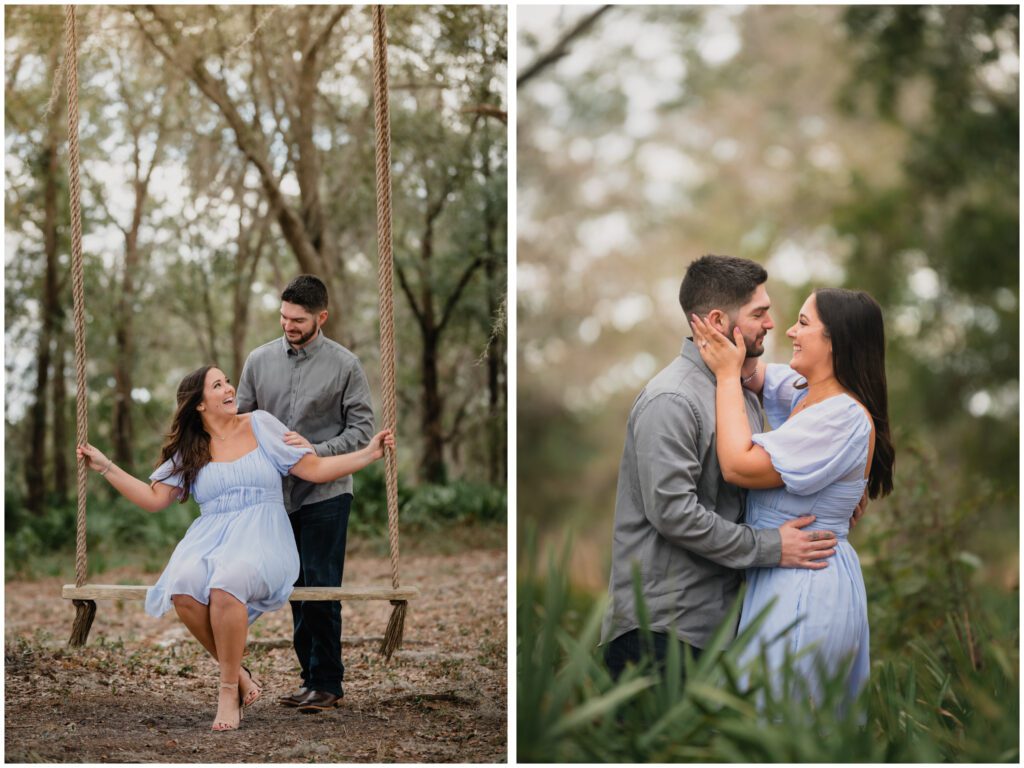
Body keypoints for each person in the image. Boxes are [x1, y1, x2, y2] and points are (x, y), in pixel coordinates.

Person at [76, 365, 394, 731]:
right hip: (210, 536)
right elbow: (153, 499)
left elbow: (315, 469)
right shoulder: (190, 448)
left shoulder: (260, 424)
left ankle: (228, 691)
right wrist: (105, 467)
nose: (229, 388)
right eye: (217, 385)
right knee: (183, 585)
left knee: (226, 584)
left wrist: (369, 454)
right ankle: (239, 673)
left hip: (263, 533)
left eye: (227, 381)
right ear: (198, 404)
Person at [599, 254, 844, 683]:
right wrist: (772, 547)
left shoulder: (739, 392)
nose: (771, 324)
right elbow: (674, 513)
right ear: (716, 320)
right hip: (659, 631)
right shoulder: (672, 400)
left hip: (717, 631)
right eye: (760, 313)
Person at [690, 287, 894, 706]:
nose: (788, 331)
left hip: (807, 583)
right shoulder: (808, 392)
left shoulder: (841, 416)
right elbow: (756, 373)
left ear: (836, 340)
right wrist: (729, 335)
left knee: (790, 724)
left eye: (803, 323)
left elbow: (738, 465)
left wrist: (726, 376)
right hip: (781, 572)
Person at [235, 274, 375, 714]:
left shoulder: (346, 365)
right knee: (292, 586)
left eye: (297, 319)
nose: (288, 325)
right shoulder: (258, 361)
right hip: (275, 496)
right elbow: (239, 420)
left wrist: (317, 449)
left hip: (327, 491)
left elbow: (363, 430)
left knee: (321, 583)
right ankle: (308, 679)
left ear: (321, 317)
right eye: (283, 316)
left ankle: (327, 681)